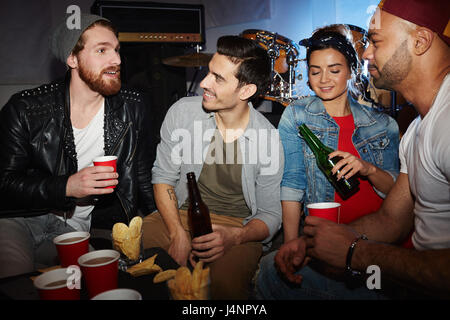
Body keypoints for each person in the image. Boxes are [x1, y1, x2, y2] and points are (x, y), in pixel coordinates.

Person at [256, 0, 450, 299]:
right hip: (397, 267)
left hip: (412, 280)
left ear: (420, 41)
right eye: (315, 70)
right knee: (273, 271)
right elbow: (391, 220)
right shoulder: (417, 129)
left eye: (375, 40)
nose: (367, 53)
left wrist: (356, 252)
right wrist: (307, 244)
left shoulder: (431, 124)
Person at [0, 14, 155, 278]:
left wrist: (165, 226)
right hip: (19, 220)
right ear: (72, 59)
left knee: (98, 281)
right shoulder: (25, 109)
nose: (116, 60)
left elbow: (143, 178)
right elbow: (3, 183)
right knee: (16, 280)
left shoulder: (132, 107)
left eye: (116, 50)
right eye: (102, 50)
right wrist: (67, 186)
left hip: (75, 230)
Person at [142, 35, 284, 299]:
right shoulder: (182, 113)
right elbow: (162, 177)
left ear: (246, 91)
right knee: (145, 265)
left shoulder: (268, 139)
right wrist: (177, 234)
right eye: (209, 72)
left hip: (236, 226)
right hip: (179, 214)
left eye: (218, 78)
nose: (204, 83)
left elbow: (271, 215)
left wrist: (236, 237)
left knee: (223, 289)